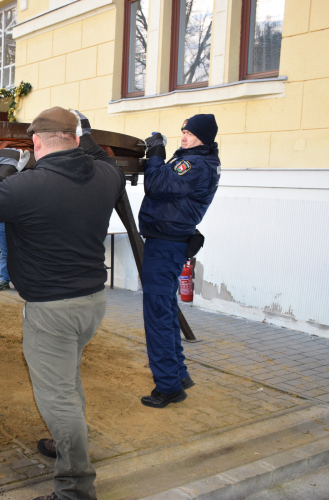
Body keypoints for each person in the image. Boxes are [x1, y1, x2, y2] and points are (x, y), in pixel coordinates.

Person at [0, 107, 126, 500]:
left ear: (36, 144)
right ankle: (68, 441)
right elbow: (102, 157)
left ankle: (75, 488)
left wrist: (5, 166)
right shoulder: (107, 176)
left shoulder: (29, 186)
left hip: (52, 309)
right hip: (92, 302)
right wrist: (84, 132)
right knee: (66, 380)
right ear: (74, 138)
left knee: (56, 394)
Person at [138, 114, 220, 408]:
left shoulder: (195, 164)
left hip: (166, 245)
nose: (183, 137)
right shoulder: (195, 160)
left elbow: (157, 186)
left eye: (189, 133)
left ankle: (169, 387)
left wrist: (156, 155)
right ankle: (178, 374)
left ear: (204, 137)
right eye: (182, 131)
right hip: (168, 241)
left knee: (158, 315)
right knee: (166, 310)